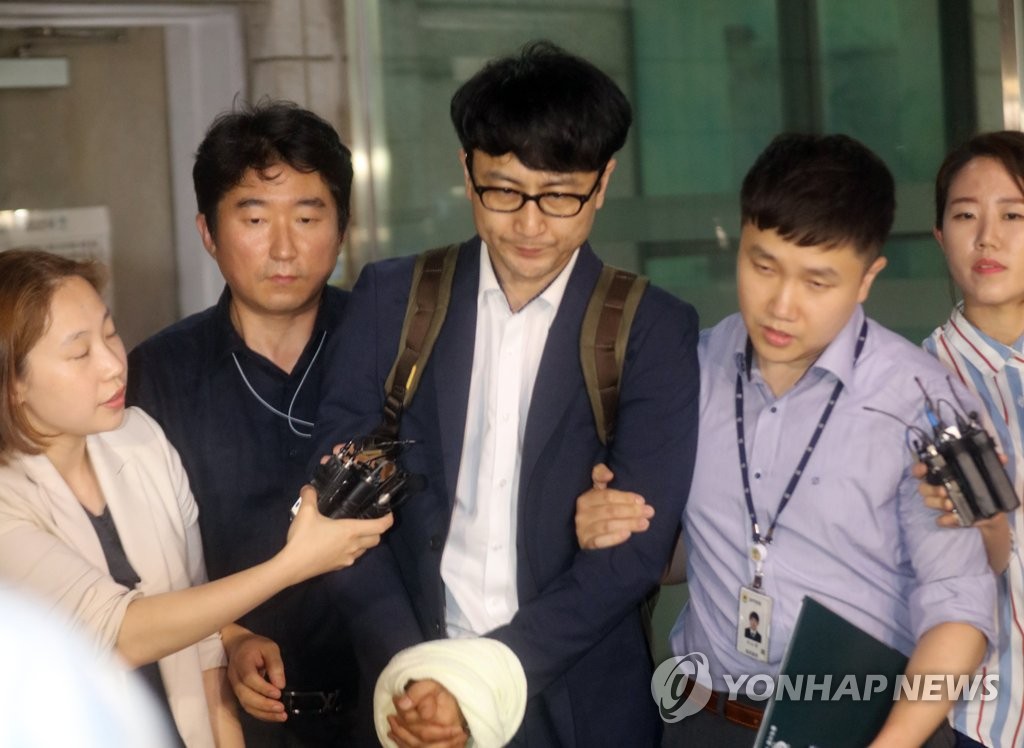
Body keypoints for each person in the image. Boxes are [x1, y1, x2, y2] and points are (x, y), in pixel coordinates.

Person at [311, 41, 700, 745]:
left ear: (603, 183)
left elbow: (634, 556)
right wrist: (418, 675)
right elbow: (337, 501)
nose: (529, 224)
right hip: (408, 694)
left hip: (577, 702)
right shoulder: (392, 300)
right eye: (505, 191)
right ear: (467, 172)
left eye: (560, 196)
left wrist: (474, 682)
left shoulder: (652, 329)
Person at [575, 133, 997, 747]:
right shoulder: (690, 369)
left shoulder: (925, 408)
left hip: (861, 725)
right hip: (706, 721)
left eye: (817, 282)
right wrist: (610, 521)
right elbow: (679, 552)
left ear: (867, 279)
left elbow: (959, 608)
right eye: (763, 265)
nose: (781, 306)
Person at [0, 249, 391, 748]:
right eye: (80, 354)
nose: (114, 365)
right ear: (13, 383)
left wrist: (232, 640)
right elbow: (119, 633)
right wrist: (294, 564)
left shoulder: (139, 438)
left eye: (110, 333)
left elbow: (198, 626)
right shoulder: (9, 496)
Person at [126, 101, 364, 745]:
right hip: (228, 720)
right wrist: (226, 635)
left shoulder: (388, 350)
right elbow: (140, 565)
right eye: (255, 219)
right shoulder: (156, 376)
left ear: (342, 228)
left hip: (393, 709)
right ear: (208, 232)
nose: (284, 247)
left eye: (308, 217)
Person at [921, 130, 1024, 748]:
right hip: (986, 721)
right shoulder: (918, 390)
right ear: (940, 236)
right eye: (965, 216)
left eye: (1013, 215)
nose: (988, 238)